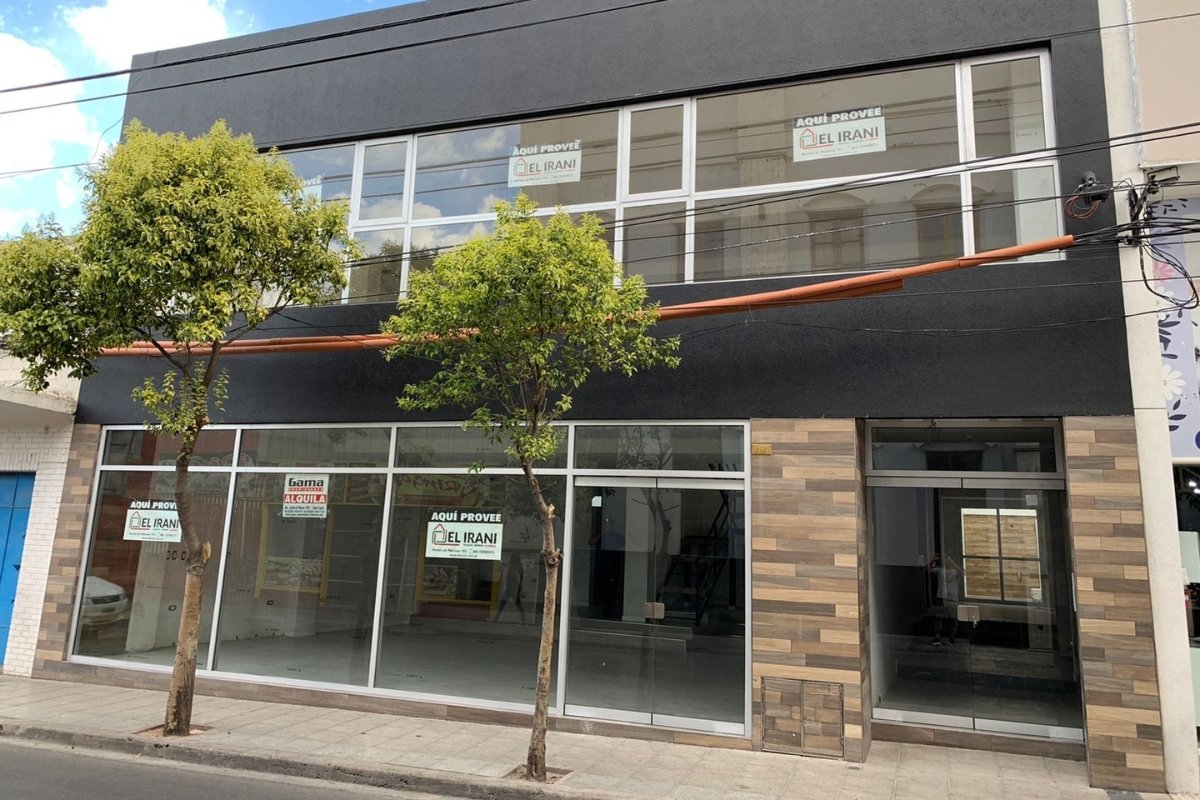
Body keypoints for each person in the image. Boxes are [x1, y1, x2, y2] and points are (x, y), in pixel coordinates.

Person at [927, 554, 960, 645]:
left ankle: (952, 638)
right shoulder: (940, 570)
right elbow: (928, 570)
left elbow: (961, 571)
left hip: (952, 597)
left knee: (954, 618)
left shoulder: (954, 571)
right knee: (939, 617)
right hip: (941, 596)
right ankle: (937, 637)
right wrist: (933, 560)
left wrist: (951, 561)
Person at [490, 550, 527, 623]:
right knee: (516, 604)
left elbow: (518, 578)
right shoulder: (515, 566)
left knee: (504, 604)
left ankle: (496, 619)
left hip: (513, 588)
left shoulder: (515, 566)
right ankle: (524, 619)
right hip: (512, 588)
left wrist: (520, 588)